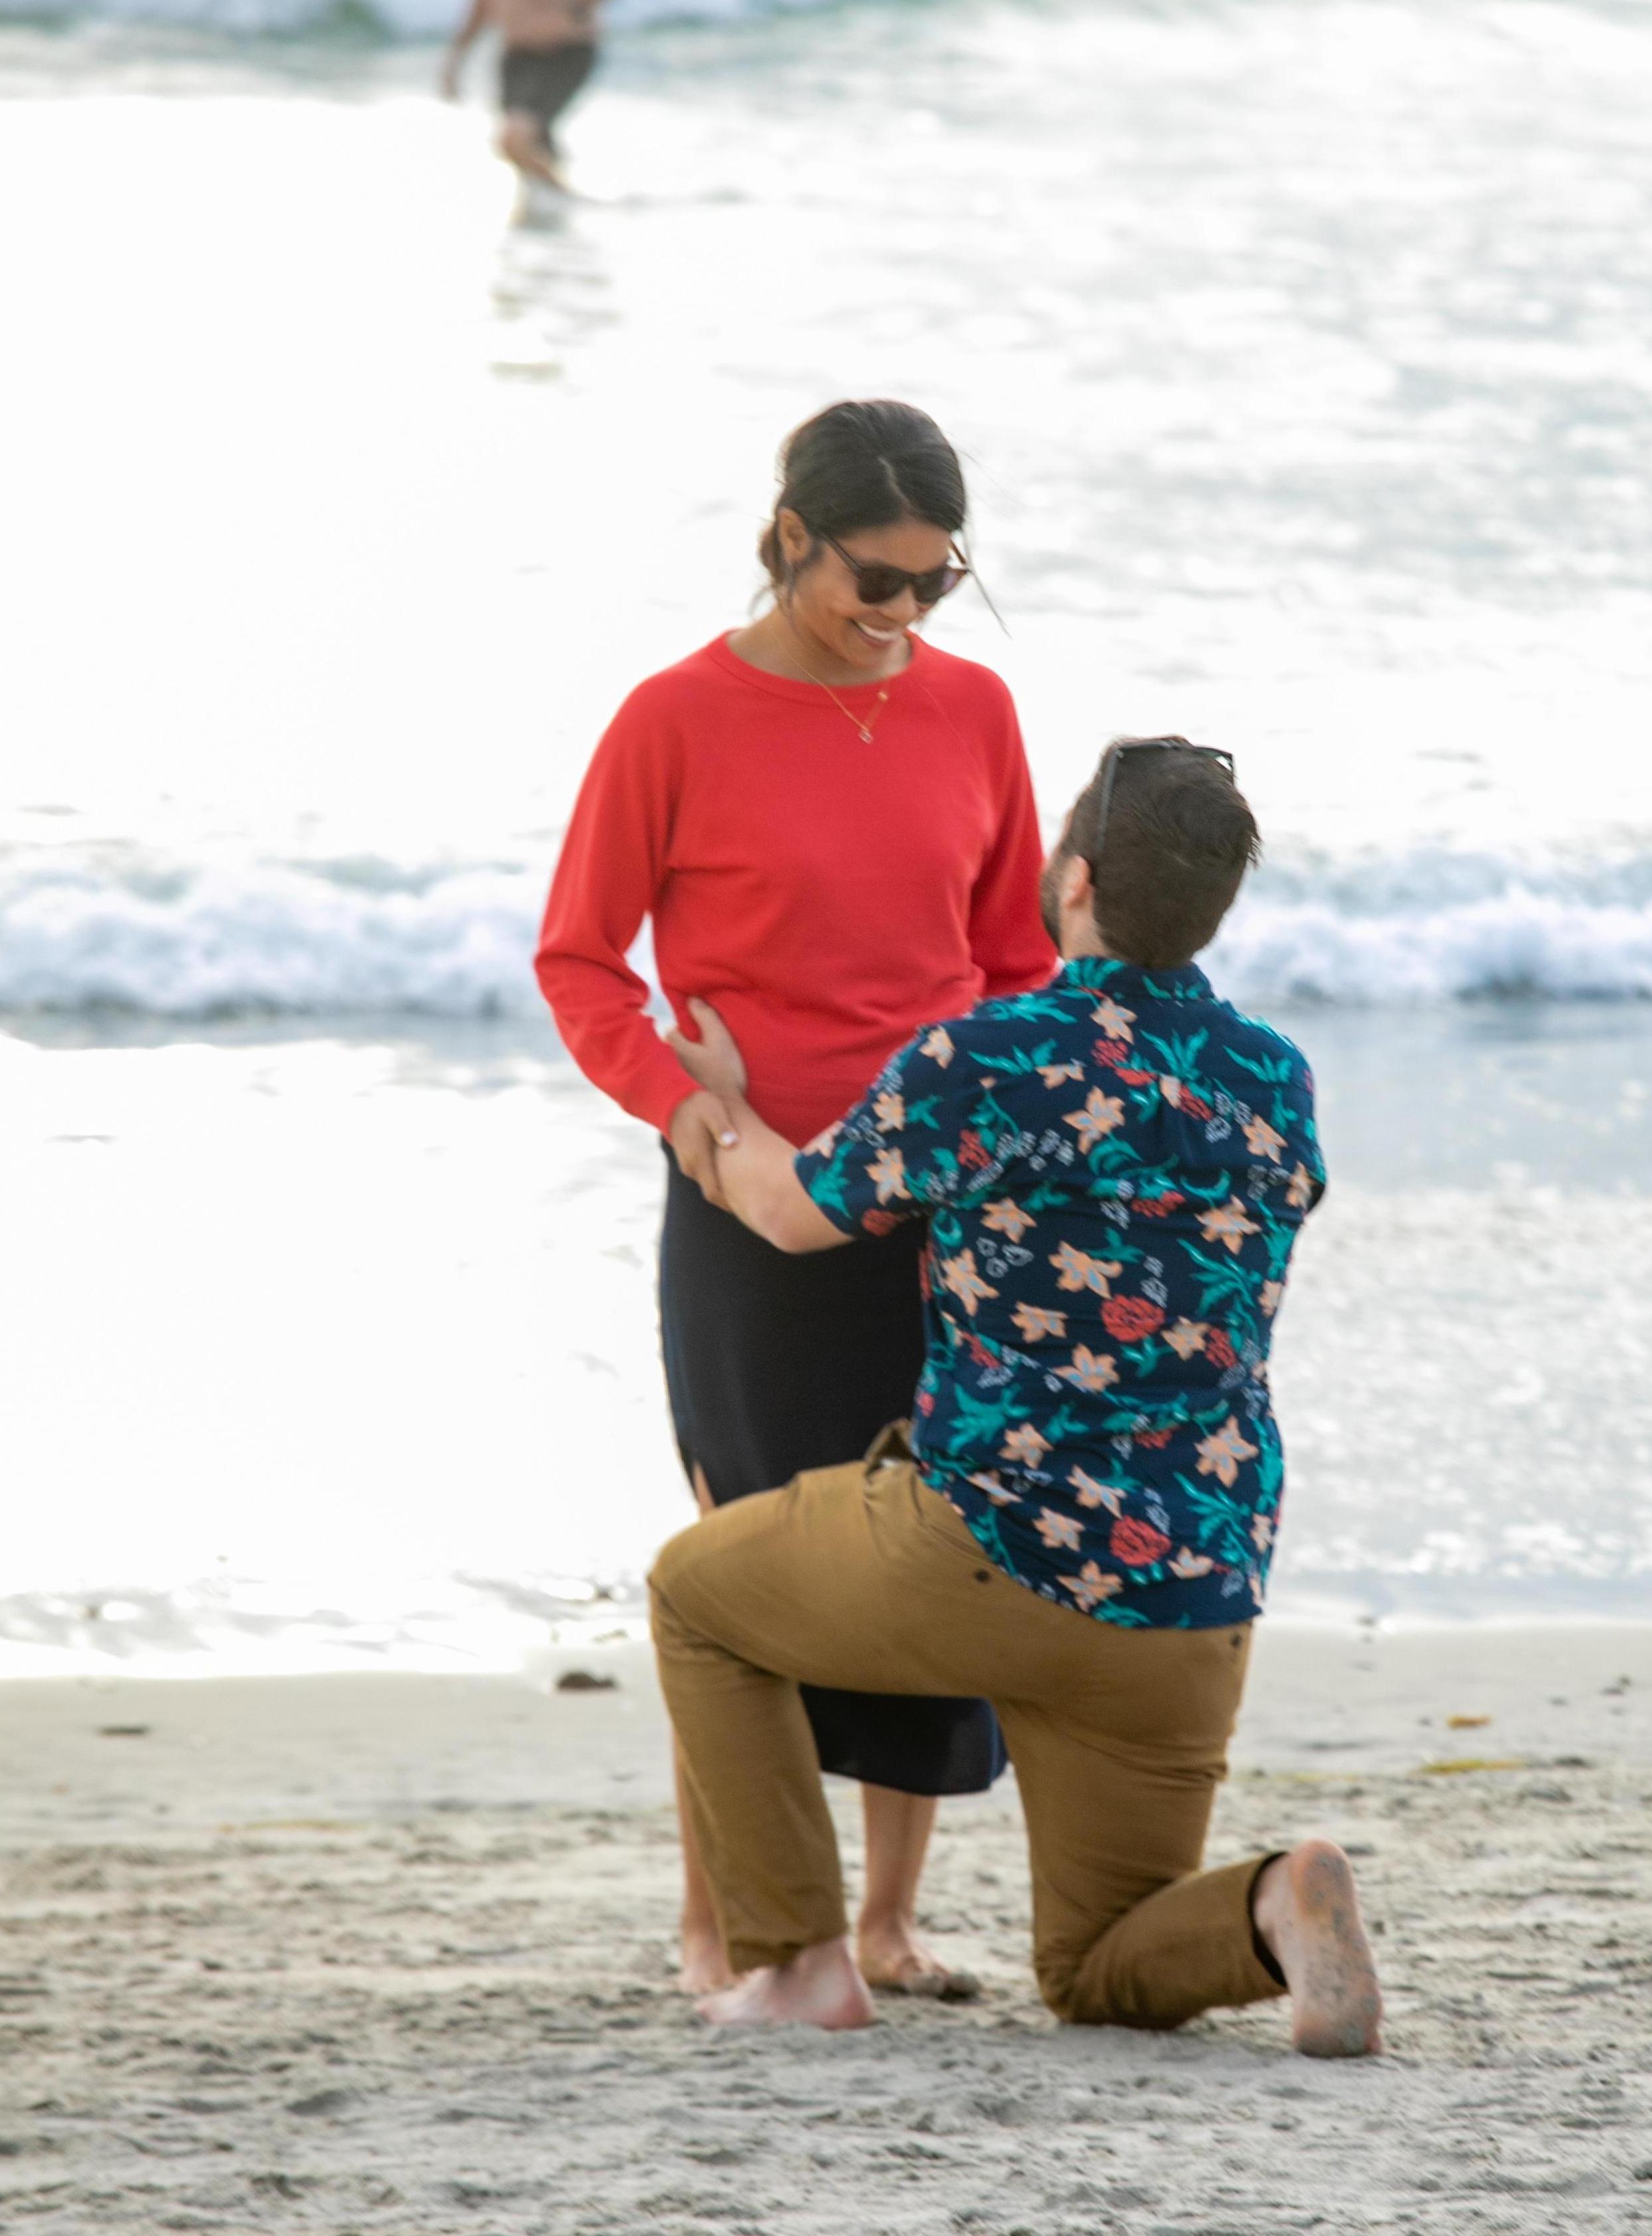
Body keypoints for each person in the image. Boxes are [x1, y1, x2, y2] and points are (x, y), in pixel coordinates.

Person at [647, 740, 1383, 2054]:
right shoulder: (1275, 1075)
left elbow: (792, 1215)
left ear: (1078, 879)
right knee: (1098, 1966)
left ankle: (800, 1960)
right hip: (1192, 1595)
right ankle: (1275, 1900)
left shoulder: (989, 1054)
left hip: (989, 1544)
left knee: (695, 1597)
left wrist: (720, 1106)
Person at [535, 401, 1057, 2002]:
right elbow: (580, 962)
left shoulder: (975, 710)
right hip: (746, 1198)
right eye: (871, 580)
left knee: (925, 1552)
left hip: (940, 1215)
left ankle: (888, 1923)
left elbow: (1017, 959)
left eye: (933, 581)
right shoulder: (672, 721)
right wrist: (690, 1113)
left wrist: (1008, 1141)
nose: (901, 612)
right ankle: (729, 1932)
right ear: (789, 541)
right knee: (743, 1563)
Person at [440, 0, 605, 196]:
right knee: (526, 142)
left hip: (565, 53)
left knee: (515, 137)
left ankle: (566, 198)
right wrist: (453, 66)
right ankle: (549, 200)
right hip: (517, 60)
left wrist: (576, 10)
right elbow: (478, 15)